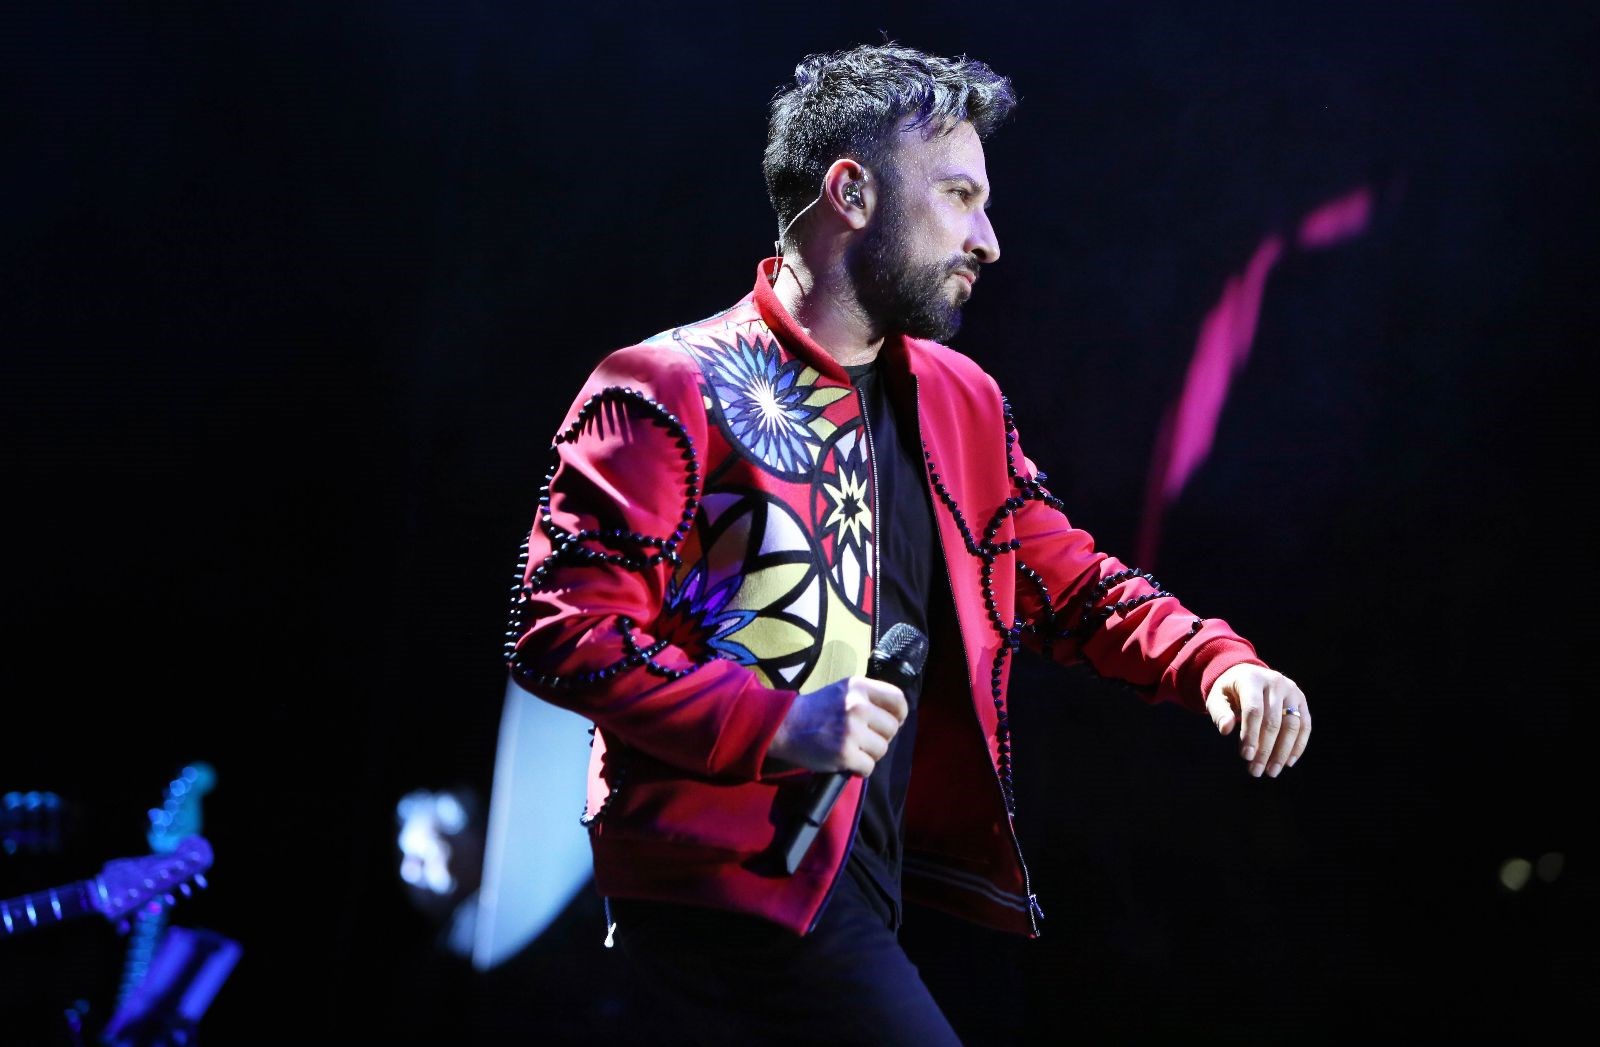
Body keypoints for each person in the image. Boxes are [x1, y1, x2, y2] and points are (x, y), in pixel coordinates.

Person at [503, 41, 1311, 1045]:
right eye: (959, 196)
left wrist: (1215, 662)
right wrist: (779, 724)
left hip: (868, 889)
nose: (988, 240)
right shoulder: (669, 384)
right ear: (851, 191)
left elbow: (1067, 582)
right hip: (720, 895)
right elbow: (562, 631)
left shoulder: (960, 400)